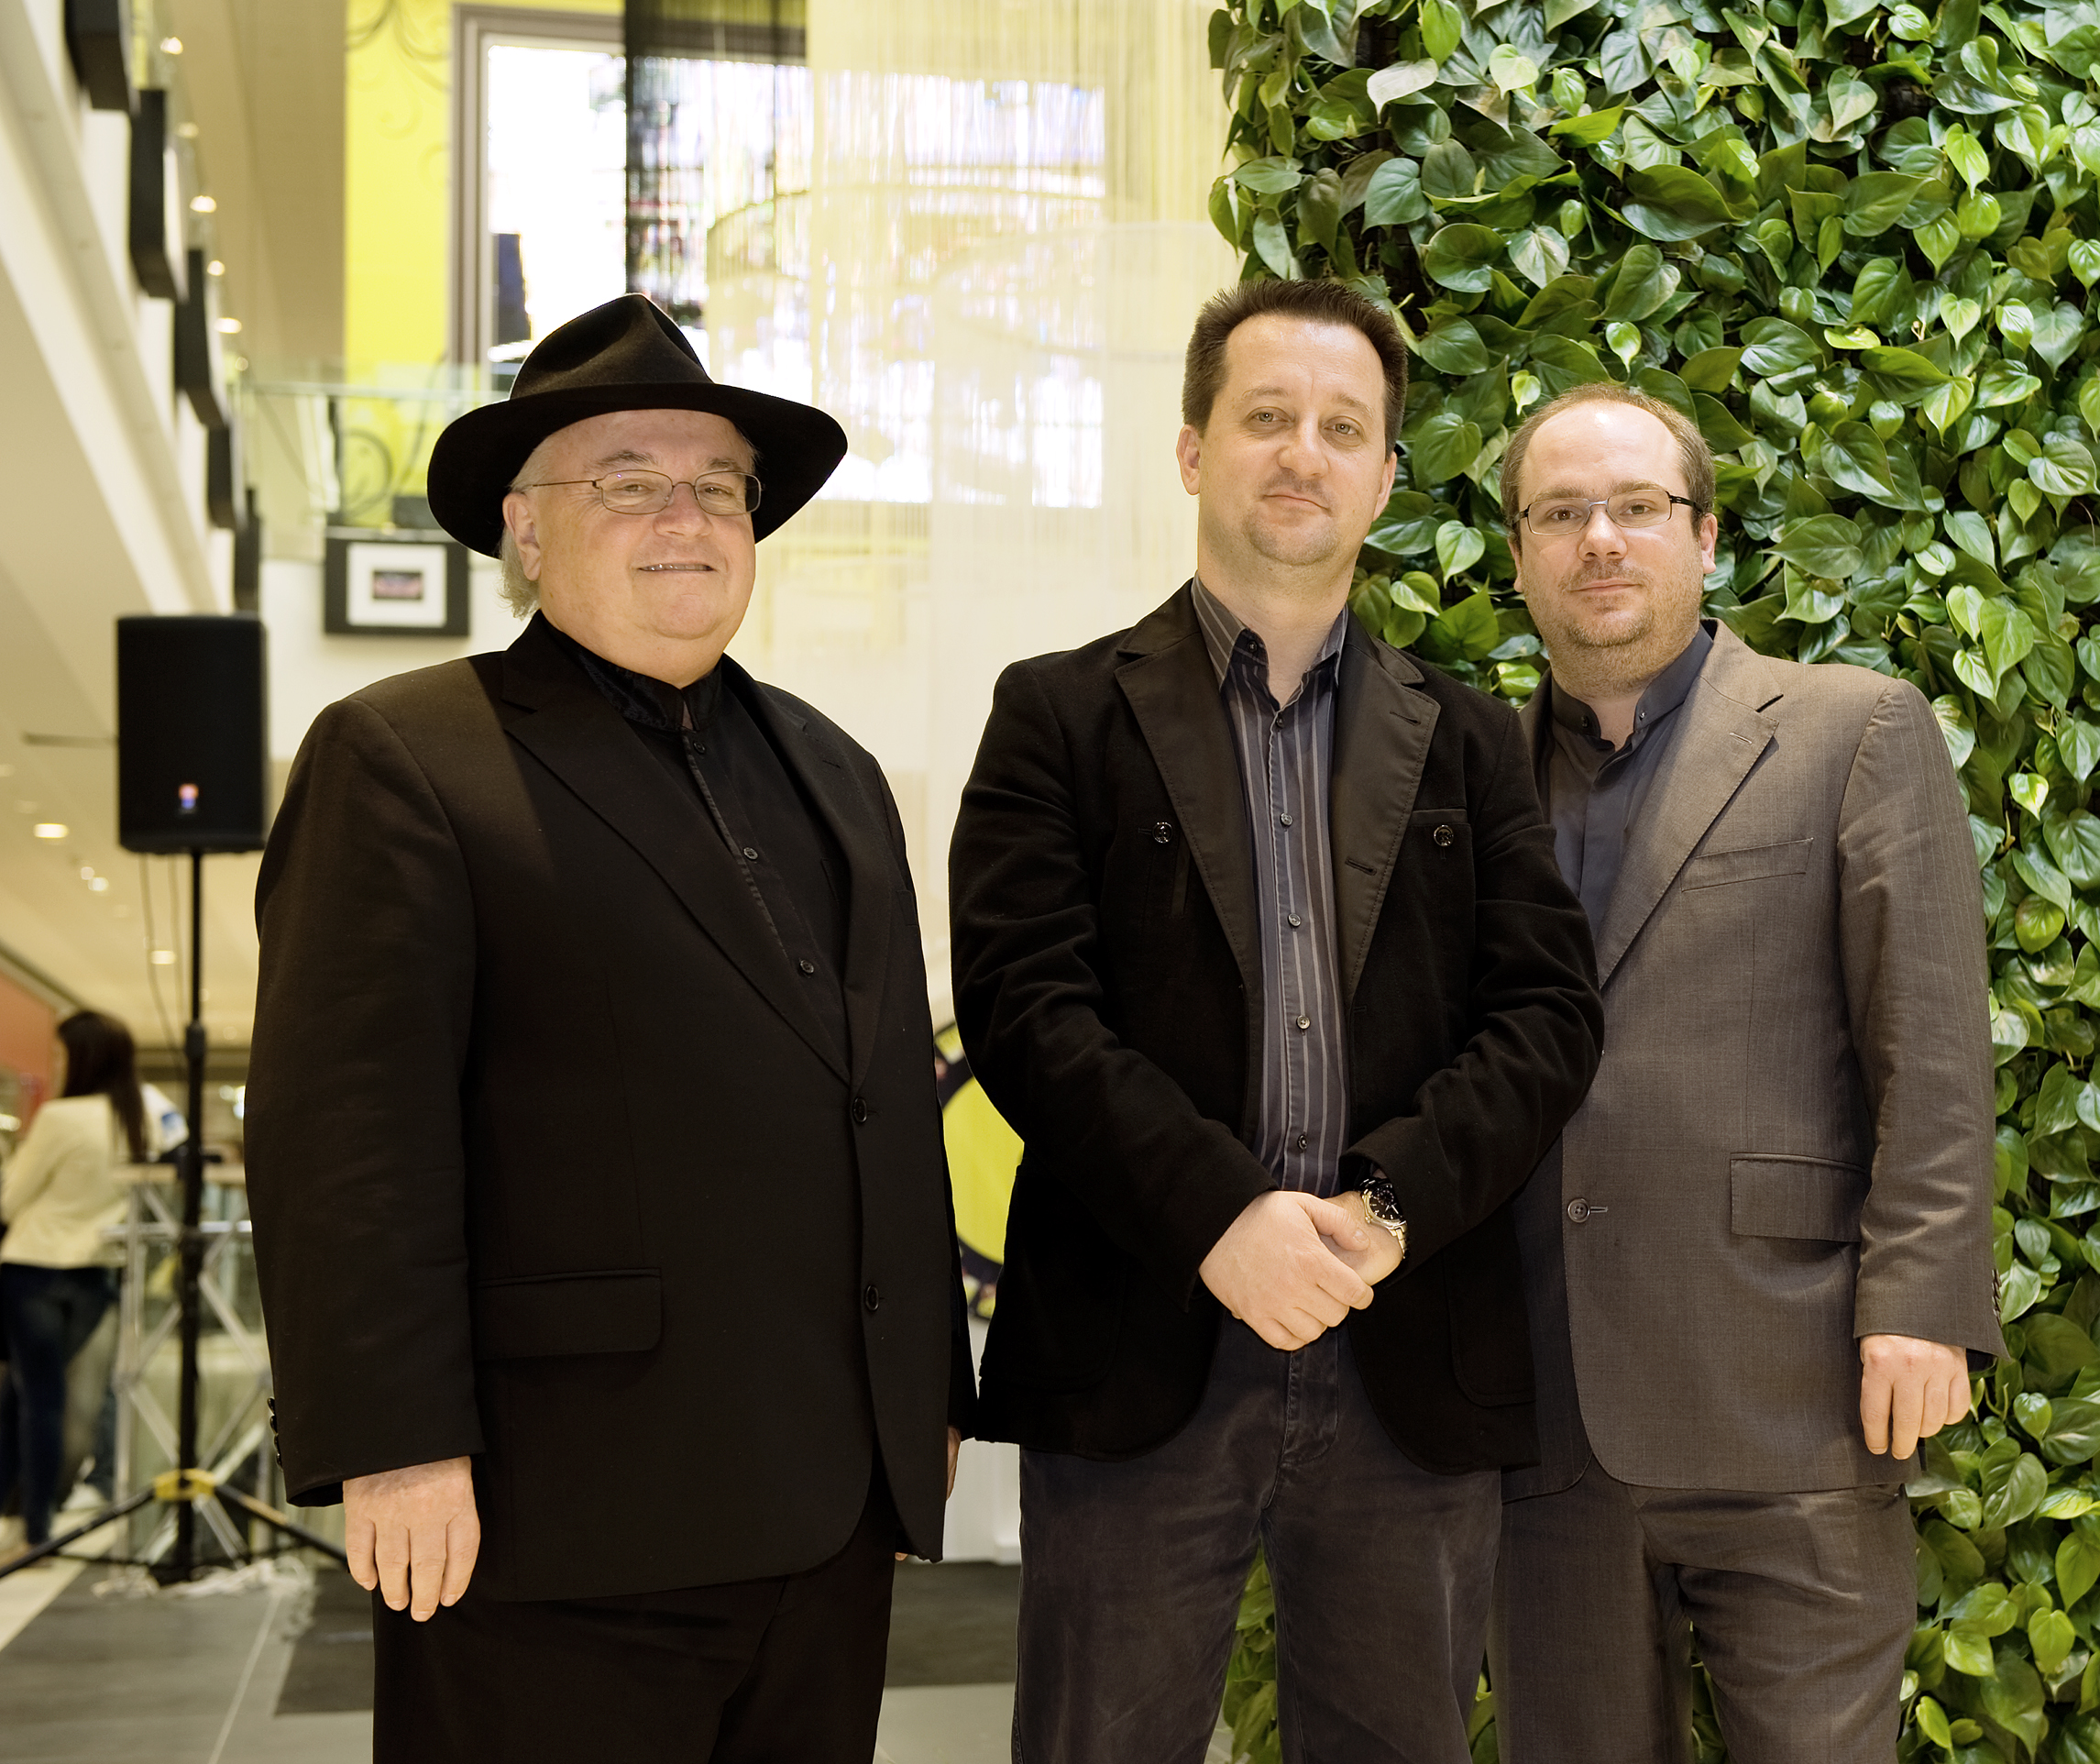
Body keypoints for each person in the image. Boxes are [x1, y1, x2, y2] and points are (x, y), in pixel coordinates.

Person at [244, 293, 971, 1764]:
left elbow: (883, 1103)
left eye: (718, 487)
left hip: (825, 1508)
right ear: (524, 529)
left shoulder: (837, 772)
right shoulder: (404, 755)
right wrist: (392, 1441)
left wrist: (921, 1403)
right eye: (627, 482)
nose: (683, 518)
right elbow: (347, 1139)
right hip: (555, 1512)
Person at [949, 276, 1604, 1764]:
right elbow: (1026, 1009)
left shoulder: (1470, 741)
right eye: (1265, 418)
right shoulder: (1056, 716)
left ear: (1384, 477)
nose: (1302, 452)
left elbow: (1545, 1017)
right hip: (1136, 1346)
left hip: (1401, 1349)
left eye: (1341, 428)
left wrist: (1383, 1209)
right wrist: (1223, 1217)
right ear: (1194, 450)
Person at [1489, 382, 2005, 1763]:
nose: (1601, 538)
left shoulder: (1853, 728)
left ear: (1706, 536)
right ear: (1520, 555)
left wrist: (1924, 1306)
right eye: (1560, 512)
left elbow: (1933, 1047)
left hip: (1793, 1396)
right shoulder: (1471, 774)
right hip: (1543, 1422)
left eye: (1637, 506)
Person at [0, 1011, 140, 1557]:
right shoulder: (143, 1114)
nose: (57, 1065)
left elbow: (11, 1199)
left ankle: (32, 1528)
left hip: (34, 1267)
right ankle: (27, 1518)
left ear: (82, 1057)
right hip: (96, 1274)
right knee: (50, 1399)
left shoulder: (62, 1117)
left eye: (60, 1055)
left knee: (34, 1400)